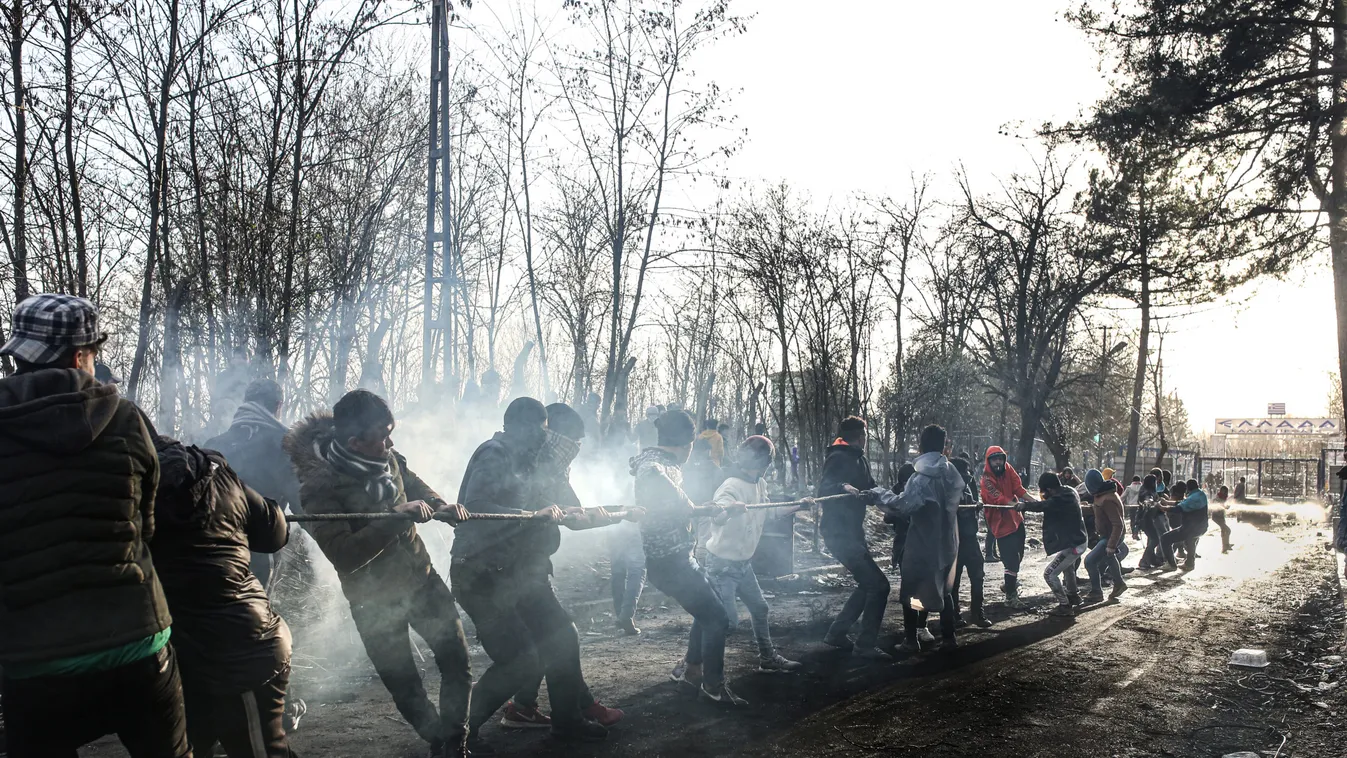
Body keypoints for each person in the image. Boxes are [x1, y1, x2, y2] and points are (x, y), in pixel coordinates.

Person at [0, 293, 189, 758]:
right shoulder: (126, 419)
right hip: (138, 642)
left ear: (20, 354)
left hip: (34, 659)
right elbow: (144, 527)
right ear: (81, 355)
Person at [285, 389, 474, 758]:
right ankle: (438, 738)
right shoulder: (319, 490)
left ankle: (454, 742)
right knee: (404, 684)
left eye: (391, 431)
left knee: (457, 662)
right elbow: (344, 555)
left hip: (422, 580)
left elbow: (412, 481)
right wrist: (394, 520)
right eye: (383, 436)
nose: (390, 442)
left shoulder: (389, 457)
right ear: (354, 441)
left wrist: (439, 505)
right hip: (372, 600)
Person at [451, 398, 613, 743]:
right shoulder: (495, 453)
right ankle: (457, 733)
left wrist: (617, 515)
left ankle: (567, 721)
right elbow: (476, 508)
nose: (541, 438)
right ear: (512, 426)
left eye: (543, 431)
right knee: (521, 660)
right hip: (481, 574)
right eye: (535, 430)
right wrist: (530, 514)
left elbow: (571, 513)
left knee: (562, 636)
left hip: (520, 573)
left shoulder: (538, 463)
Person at [151, 436, 293, 757]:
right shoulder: (215, 472)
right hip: (225, 647)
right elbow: (274, 532)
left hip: (234, 652)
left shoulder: (132, 494)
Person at [633, 409, 746, 705]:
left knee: (708, 612)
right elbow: (650, 473)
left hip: (680, 557)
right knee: (718, 618)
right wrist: (688, 504)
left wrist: (703, 507)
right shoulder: (654, 462)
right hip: (668, 561)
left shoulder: (667, 462)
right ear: (688, 445)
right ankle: (713, 687)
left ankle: (692, 672)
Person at [851, 425, 964, 653]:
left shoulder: (920, 478)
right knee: (945, 589)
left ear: (920, 446)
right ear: (944, 446)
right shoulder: (952, 473)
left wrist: (877, 494)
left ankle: (911, 640)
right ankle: (950, 638)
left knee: (913, 590)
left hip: (923, 542)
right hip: (948, 540)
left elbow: (904, 506)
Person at [705, 436, 805, 673]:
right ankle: (687, 665)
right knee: (725, 622)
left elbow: (767, 513)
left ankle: (767, 657)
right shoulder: (730, 485)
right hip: (721, 566)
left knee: (760, 609)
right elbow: (716, 516)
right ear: (764, 461)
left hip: (742, 565)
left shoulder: (759, 484)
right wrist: (729, 511)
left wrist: (799, 505)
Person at [206, 377, 303, 588]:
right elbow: (302, 501)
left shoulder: (213, 444)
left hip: (209, 548)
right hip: (259, 551)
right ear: (278, 406)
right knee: (252, 612)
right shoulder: (285, 444)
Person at [817, 417, 892, 660]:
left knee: (868, 584)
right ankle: (865, 646)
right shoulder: (837, 457)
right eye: (865, 436)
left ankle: (836, 633)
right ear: (861, 437)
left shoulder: (861, 459)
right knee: (879, 586)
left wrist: (893, 500)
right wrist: (844, 487)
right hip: (837, 533)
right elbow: (824, 489)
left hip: (853, 533)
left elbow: (870, 489)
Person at [1020, 472, 1088, 617]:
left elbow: (1043, 505)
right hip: (1076, 540)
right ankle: (1073, 595)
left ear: (1049, 489)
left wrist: (1023, 506)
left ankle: (1065, 605)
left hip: (1074, 544)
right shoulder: (1070, 491)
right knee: (1068, 568)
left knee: (1050, 574)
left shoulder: (1061, 498)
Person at [981, 446, 1034, 607]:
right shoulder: (986, 479)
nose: (998, 462)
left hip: (1016, 520)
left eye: (1000, 458)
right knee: (1011, 560)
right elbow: (997, 497)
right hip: (1000, 523)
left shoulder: (1008, 469)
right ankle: (1010, 597)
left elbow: (1018, 488)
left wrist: (1035, 502)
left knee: (1018, 556)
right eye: (994, 459)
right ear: (989, 461)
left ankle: (1009, 583)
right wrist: (1013, 504)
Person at [950, 457, 991, 628]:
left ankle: (977, 612)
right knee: (954, 580)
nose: (968, 475)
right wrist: (971, 509)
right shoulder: (949, 490)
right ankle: (954, 615)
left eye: (968, 471)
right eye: (964, 472)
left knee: (978, 576)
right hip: (955, 541)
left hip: (971, 540)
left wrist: (976, 505)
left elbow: (971, 505)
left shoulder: (967, 488)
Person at [1082, 468, 1128, 604]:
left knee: (1090, 561)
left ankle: (1096, 592)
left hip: (1111, 535)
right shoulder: (1103, 494)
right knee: (1109, 558)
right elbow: (1098, 510)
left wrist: (1111, 544)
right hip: (1108, 534)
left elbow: (1117, 524)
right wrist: (1083, 508)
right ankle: (1119, 584)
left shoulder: (1107, 499)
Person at [1161, 478, 1209, 571]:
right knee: (1191, 541)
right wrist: (1167, 502)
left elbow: (1178, 508)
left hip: (1190, 529)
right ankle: (1189, 564)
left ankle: (1171, 565)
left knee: (1165, 538)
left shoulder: (1193, 498)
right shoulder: (1200, 494)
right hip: (1202, 527)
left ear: (1188, 488)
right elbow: (1182, 503)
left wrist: (1163, 507)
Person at [610, 518, 647, 635]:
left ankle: (620, 615)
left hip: (614, 526)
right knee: (637, 571)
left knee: (618, 572)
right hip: (634, 523)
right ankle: (626, 615)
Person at [1211, 485, 1233, 553]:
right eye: (1225, 491)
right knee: (1228, 530)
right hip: (1217, 517)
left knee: (1224, 531)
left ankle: (1225, 547)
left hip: (1221, 517)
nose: (1226, 493)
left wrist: (1225, 507)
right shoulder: (1217, 498)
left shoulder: (1223, 497)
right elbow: (1216, 506)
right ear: (1222, 491)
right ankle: (1226, 545)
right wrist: (1224, 507)